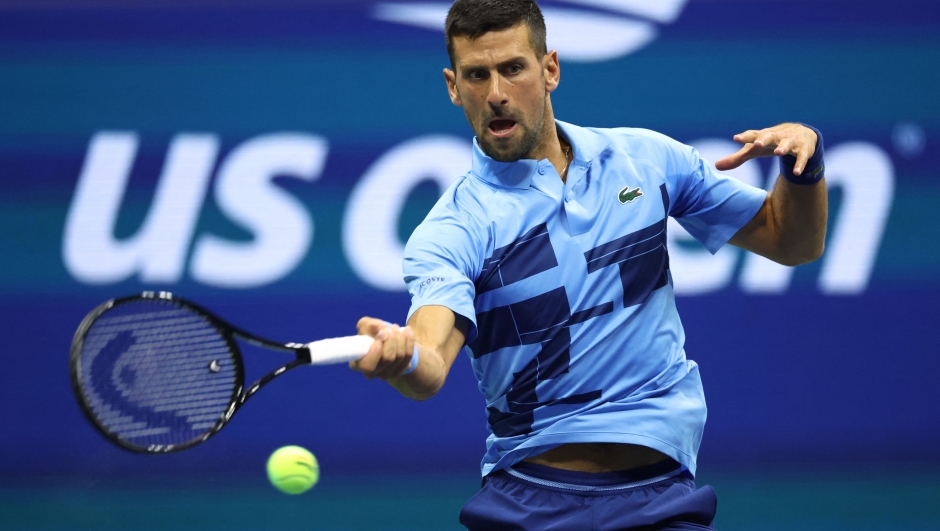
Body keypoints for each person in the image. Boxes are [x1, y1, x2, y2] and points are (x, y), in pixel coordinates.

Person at [349, 0, 828, 529]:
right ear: (452, 86)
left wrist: (804, 168)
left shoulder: (646, 161)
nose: (497, 94)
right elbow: (432, 356)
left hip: (661, 497)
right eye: (476, 76)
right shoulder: (453, 229)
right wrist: (406, 360)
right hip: (530, 499)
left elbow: (791, 241)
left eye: (513, 68)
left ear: (549, 69)